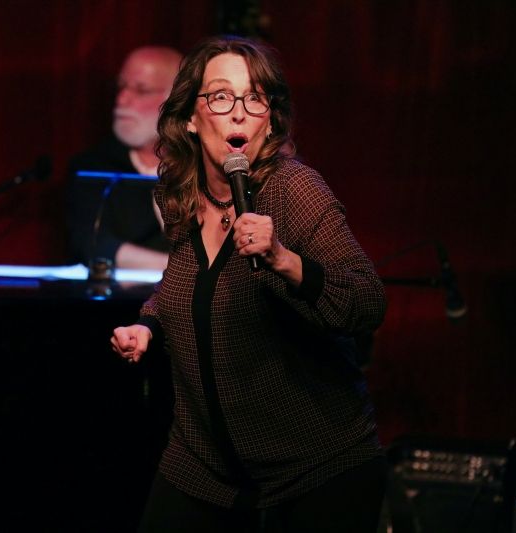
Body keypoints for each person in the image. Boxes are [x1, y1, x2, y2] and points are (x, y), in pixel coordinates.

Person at [110, 35, 388, 532]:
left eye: (254, 98)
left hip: (315, 468)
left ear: (270, 120)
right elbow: (181, 283)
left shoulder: (295, 190)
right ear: (192, 119)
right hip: (203, 465)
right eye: (220, 96)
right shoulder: (181, 194)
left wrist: (283, 259)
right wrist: (149, 325)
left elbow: (365, 301)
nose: (238, 112)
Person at [66, 46, 182, 270]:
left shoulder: (207, 167)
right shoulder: (94, 166)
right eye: (121, 87)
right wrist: (179, 269)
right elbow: (91, 244)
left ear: (178, 99)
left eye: (141, 90)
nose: (122, 99)